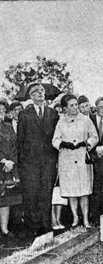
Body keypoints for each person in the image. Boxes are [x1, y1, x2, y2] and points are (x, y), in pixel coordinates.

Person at [17, 83, 59, 236]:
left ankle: (46, 225)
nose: (41, 93)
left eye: (42, 91)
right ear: (31, 96)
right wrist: (22, 163)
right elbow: (20, 140)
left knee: (46, 193)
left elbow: (56, 137)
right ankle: (34, 227)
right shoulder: (24, 114)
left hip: (48, 161)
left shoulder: (53, 113)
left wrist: (56, 160)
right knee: (32, 193)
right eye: (37, 91)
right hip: (30, 162)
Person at [52, 94, 98, 228]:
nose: (74, 108)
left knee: (84, 191)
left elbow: (94, 136)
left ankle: (85, 219)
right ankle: (75, 217)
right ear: (65, 108)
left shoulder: (85, 120)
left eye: (76, 104)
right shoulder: (61, 121)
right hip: (67, 159)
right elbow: (55, 139)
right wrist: (63, 144)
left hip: (82, 158)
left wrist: (86, 143)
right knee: (71, 191)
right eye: (71, 105)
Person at [0, 101, 22, 238]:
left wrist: (11, 162)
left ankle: (4, 229)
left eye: (2, 111)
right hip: (2, 163)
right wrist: (3, 160)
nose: (0, 113)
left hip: (8, 168)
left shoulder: (8, 127)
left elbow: (15, 145)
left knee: (5, 200)